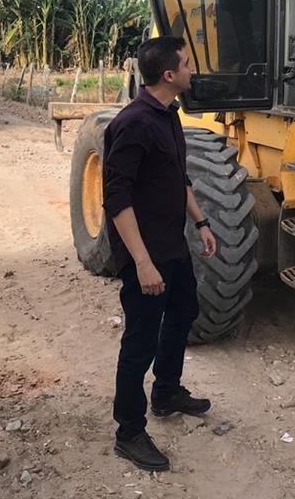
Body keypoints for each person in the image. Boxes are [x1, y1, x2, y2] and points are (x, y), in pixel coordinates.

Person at [102, 36, 218, 472]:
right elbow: (117, 198)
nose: (193, 70)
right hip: (145, 254)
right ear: (169, 75)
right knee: (139, 343)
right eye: (187, 64)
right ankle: (128, 431)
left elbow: (178, 177)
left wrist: (202, 222)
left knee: (185, 311)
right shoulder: (133, 123)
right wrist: (143, 262)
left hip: (173, 244)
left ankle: (167, 391)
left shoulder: (168, 115)